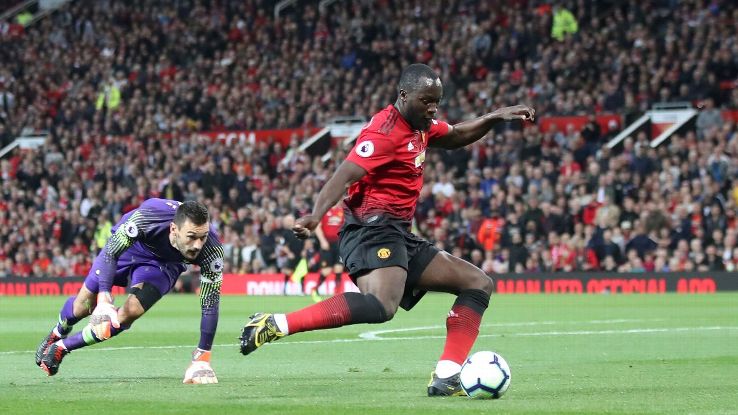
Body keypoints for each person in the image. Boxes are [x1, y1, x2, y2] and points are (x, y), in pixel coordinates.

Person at [239, 63, 534, 396]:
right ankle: (275, 324)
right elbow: (344, 174)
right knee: (381, 305)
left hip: (398, 233)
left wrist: (494, 116)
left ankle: (447, 376)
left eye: (436, 102)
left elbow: (455, 136)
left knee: (477, 283)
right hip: (370, 229)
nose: (433, 108)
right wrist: (316, 215)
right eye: (426, 101)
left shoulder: (421, 126)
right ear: (404, 95)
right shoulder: (384, 132)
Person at [35, 199, 223, 384]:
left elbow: (210, 303)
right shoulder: (149, 217)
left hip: (165, 265)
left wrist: (203, 358)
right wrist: (104, 300)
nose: (198, 245)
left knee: (131, 312)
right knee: (82, 306)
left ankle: (61, 347)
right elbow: (111, 252)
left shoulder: (212, 250)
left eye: (203, 237)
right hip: (128, 249)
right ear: (174, 229)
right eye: (191, 237)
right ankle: (58, 333)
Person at [310, 201, 345, 302]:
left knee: (339, 268)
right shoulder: (324, 211)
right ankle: (315, 289)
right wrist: (322, 241)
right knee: (327, 270)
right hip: (327, 243)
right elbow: (317, 227)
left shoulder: (342, 211)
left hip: (338, 243)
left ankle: (337, 293)